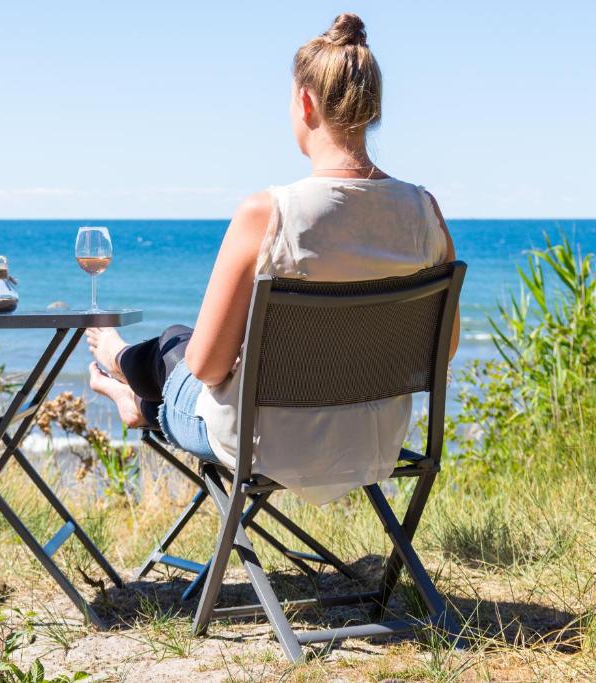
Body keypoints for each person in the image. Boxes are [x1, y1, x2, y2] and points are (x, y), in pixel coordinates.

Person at [86, 12, 459, 504]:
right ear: (373, 108)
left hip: (261, 446)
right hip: (374, 446)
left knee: (177, 348)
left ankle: (121, 372)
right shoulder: (424, 212)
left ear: (305, 103)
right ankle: (133, 389)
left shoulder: (268, 214)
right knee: (179, 340)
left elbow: (208, 369)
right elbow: (442, 349)